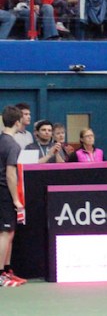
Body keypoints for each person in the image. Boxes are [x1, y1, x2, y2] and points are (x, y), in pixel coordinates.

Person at [0, 106, 27, 287]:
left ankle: (7, 271)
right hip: (4, 191)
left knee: (9, 232)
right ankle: (1, 274)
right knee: (4, 233)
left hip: (3, 192)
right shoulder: (12, 145)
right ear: (17, 122)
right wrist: (16, 199)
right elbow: (10, 174)